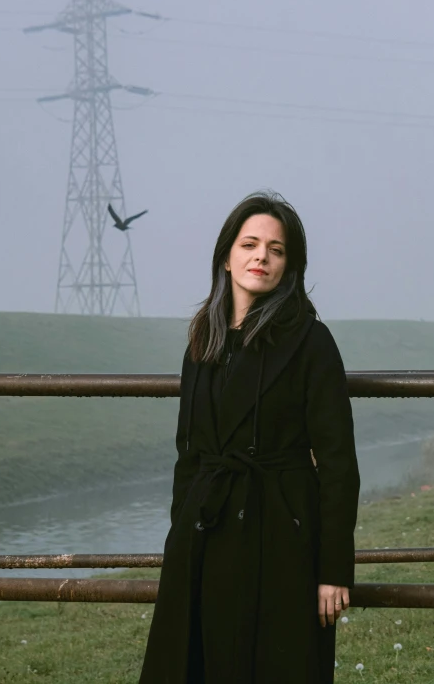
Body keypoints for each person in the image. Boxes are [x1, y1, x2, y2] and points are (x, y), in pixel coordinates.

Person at [139, 190, 360, 684]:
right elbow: (187, 455)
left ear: (289, 266)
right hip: (204, 536)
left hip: (282, 539)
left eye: (276, 250)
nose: (261, 256)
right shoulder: (202, 340)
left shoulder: (311, 341)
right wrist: (179, 540)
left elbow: (339, 462)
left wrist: (334, 569)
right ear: (226, 257)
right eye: (250, 244)